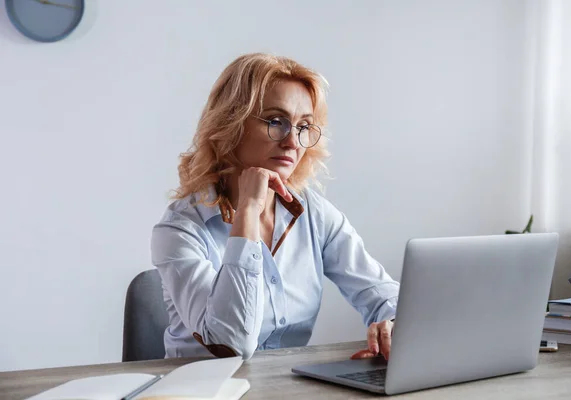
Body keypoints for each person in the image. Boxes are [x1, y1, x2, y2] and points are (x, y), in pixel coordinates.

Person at [151, 53, 399, 361]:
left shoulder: (314, 213)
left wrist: (392, 322)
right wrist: (249, 213)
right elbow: (231, 344)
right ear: (232, 125)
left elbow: (381, 293)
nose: (293, 142)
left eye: (303, 126)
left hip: (287, 387)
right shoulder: (180, 229)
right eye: (275, 122)